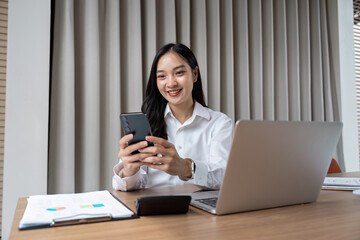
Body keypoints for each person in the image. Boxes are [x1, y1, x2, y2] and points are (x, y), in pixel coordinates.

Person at [112, 43, 233, 191]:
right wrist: (129, 171)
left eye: (179, 73)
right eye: (162, 76)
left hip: (199, 211)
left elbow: (224, 179)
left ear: (195, 74)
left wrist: (186, 168)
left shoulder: (219, 123)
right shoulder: (147, 124)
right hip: (154, 209)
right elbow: (125, 187)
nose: (171, 83)